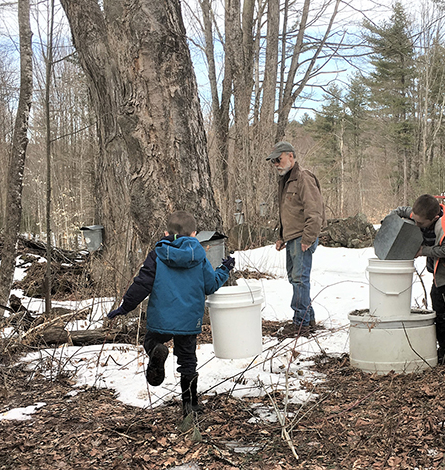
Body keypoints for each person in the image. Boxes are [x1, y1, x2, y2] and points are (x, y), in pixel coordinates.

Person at [107, 210, 235, 418]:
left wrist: (125, 307)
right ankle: (189, 406)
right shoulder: (199, 256)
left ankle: (157, 350)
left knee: (151, 341)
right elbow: (210, 285)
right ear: (194, 234)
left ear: (166, 233)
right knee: (188, 360)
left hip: (161, 318)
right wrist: (224, 269)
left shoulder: (158, 254)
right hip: (189, 320)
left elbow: (142, 284)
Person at [391, 194, 445, 364]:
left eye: (420, 224)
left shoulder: (444, 227)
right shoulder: (419, 214)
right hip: (439, 276)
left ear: (433, 218)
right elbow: (400, 211)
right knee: (441, 313)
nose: (417, 225)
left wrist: (423, 251)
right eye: (415, 220)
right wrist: (390, 221)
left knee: (441, 314)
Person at [266, 141, 326, 336]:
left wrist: (308, 238)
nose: (276, 163)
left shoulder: (303, 178)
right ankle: (307, 320)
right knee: (295, 278)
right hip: (292, 237)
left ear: (290, 156)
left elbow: (314, 211)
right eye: (273, 161)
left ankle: (300, 323)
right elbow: (288, 211)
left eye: (279, 159)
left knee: (300, 280)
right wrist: (281, 236)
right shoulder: (285, 180)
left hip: (302, 237)